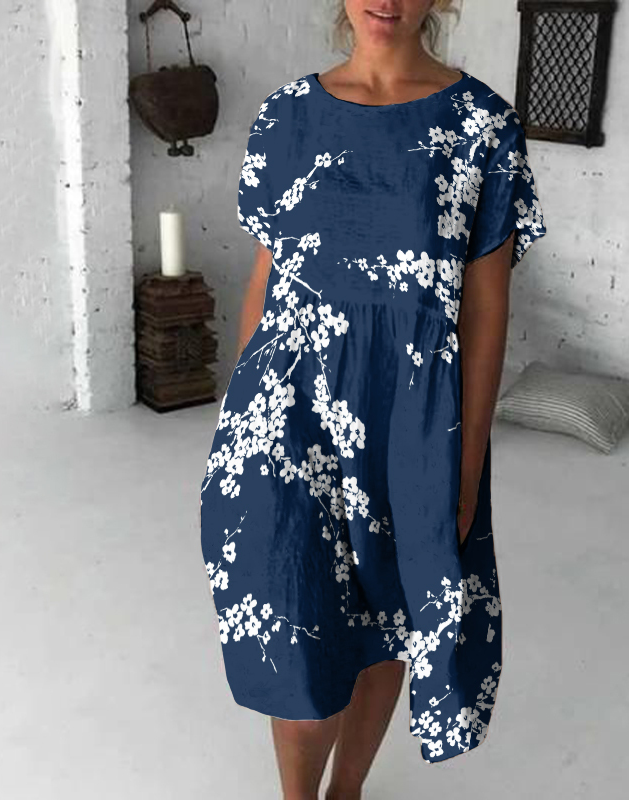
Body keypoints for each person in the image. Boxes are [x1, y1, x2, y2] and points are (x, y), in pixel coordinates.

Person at [200, 1, 547, 797]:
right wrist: (241, 415)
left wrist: (465, 461)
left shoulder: (482, 125)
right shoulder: (286, 116)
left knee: (389, 617)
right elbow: (266, 277)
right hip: (284, 413)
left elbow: (485, 308)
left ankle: (347, 790)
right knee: (293, 617)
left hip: (409, 417)